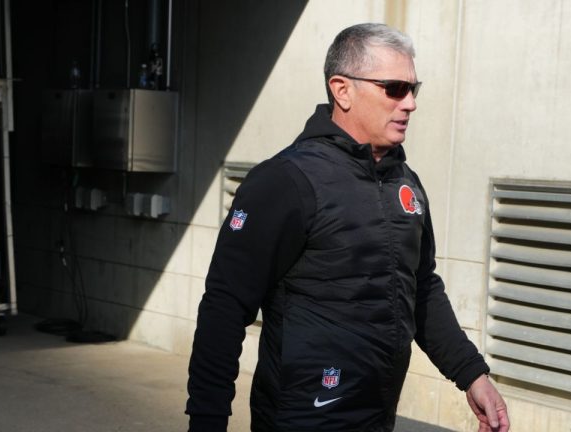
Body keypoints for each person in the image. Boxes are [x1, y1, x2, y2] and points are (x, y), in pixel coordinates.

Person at [186, 23, 510, 432]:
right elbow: (225, 307)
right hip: (300, 419)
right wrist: (207, 421)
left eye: (414, 89)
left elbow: (421, 288)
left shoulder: (405, 183)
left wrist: (472, 375)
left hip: (376, 419)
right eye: (394, 88)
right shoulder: (284, 181)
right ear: (342, 90)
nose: (409, 103)